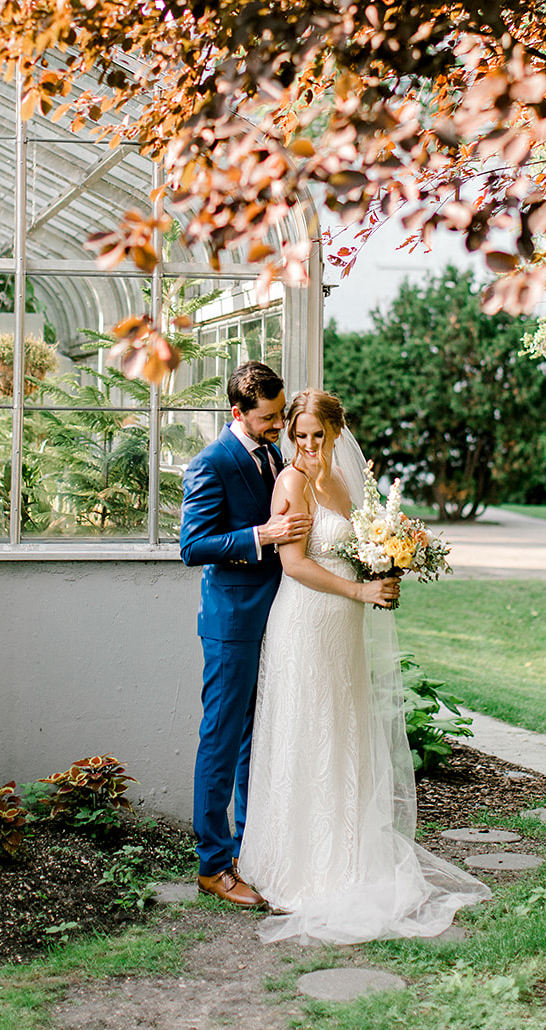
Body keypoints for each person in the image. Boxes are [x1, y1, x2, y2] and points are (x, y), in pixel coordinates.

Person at [238, 388, 491, 942]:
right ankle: (302, 866)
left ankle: (350, 856)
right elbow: (296, 566)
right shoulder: (291, 483)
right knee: (308, 733)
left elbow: (364, 541)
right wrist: (359, 591)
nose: (306, 446)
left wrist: (389, 561)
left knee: (346, 730)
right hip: (306, 620)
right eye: (298, 436)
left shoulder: (345, 483)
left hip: (344, 626)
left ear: (335, 434)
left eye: (316, 436)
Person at [179, 362, 312, 909]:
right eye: (269, 417)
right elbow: (193, 546)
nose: (279, 424)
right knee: (222, 738)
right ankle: (213, 865)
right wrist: (264, 534)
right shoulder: (210, 463)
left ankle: (248, 850)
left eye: (282, 414)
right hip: (232, 620)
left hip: (277, 614)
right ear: (238, 413)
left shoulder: (274, 452)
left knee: (258, 739)